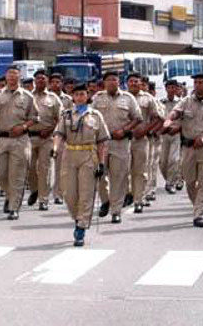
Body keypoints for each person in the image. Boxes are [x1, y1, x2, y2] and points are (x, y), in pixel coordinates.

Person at [0, 65, 39, 220]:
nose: (12, 77)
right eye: (9, 74)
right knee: (1, 173)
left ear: (20, 77)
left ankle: (14, 207)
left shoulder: (27, 96)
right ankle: (10, 196)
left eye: (15, 74)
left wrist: (24, 126)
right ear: (5, 76)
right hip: (0, 139)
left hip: (20, 140)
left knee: (16, 175)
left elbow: (34, 118)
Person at [163, 73, 203, 228]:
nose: (198, 85)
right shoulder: (186, 101)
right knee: (190, 182)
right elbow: (176, 112)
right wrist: (169, 119)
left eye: (201, 82)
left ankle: (199, 214)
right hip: (188, 147)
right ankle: (198, 205)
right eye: (196, 82)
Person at [53, 83, 110, 246]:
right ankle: (77, 217)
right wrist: (55, 148)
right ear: (73, 97)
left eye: (82, 94)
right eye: (77, 94)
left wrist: (101, 162)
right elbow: (59, 134)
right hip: (69, 154)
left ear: (87, 96)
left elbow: (101, 141)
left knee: (86, 192)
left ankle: (81, 227)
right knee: (69, 193)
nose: (79, 97)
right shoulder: (66, 115)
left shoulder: (96, 115)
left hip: (88, 154)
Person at [92, 71, 143, 224]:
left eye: (114, 80)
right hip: (102, 143)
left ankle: (116, 210)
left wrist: (125, 130)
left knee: (118, 178)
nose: (112, 82)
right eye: (108, 80)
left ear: (119, 82)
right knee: (99, 175)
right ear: (104, 83)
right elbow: (90, 115)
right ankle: (105, 200)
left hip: (120, 143)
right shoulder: (97, 98)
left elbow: (137, 118)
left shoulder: (128, 98)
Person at [27, 69, 63, 211]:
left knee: (44, 169)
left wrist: (50, 130)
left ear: (47, 81)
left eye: (43, 78)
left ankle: (43, 199)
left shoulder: (53, 98)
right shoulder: (27, 97)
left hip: (46, 138)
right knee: (28, 168)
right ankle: (35, 190)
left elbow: (60, 118)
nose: (40, 80)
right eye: (38, 78)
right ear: (34, 81)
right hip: (29, 137)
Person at [127, 72, 163, 213]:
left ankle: (139, 200)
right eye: (131, 81)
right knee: (123, 171)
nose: (133, 83)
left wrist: (145, 130)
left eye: (136, 81)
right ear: (127, 83)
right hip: (124, 140)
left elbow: (158, 118)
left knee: (140, 171)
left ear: (140, 83)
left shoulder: (148, 99)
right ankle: (127, 195)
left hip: (141, 140)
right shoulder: (123, 98)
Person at [49, 72, 74, 205]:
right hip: (45, 135)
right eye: (53, 82)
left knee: (60, 167)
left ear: (62, 84)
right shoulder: (47, 98)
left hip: (61, 137)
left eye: (58, 82)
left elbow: (71, 118)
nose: (55, 84)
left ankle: (58, 193)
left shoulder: (68, 100)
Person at [159, 80, 182, 194]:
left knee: (174, 159)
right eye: (169, 87)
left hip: (176, 133)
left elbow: (186, 120)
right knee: (163, 162)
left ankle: (170, 183)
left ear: (177, 89)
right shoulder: (161, 102)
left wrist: (178, 128)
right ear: (166, 89)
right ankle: (176, 177)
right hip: (164, 134)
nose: (172, 90)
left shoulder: (182, 103)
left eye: (174, 87)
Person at [145, 81, 165, 202]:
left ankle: (150, 189)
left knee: (151, 164)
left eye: (145, 87)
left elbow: (162, 119)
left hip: (153, 138)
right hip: (138, 138)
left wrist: (154, 131)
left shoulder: (156, 103)